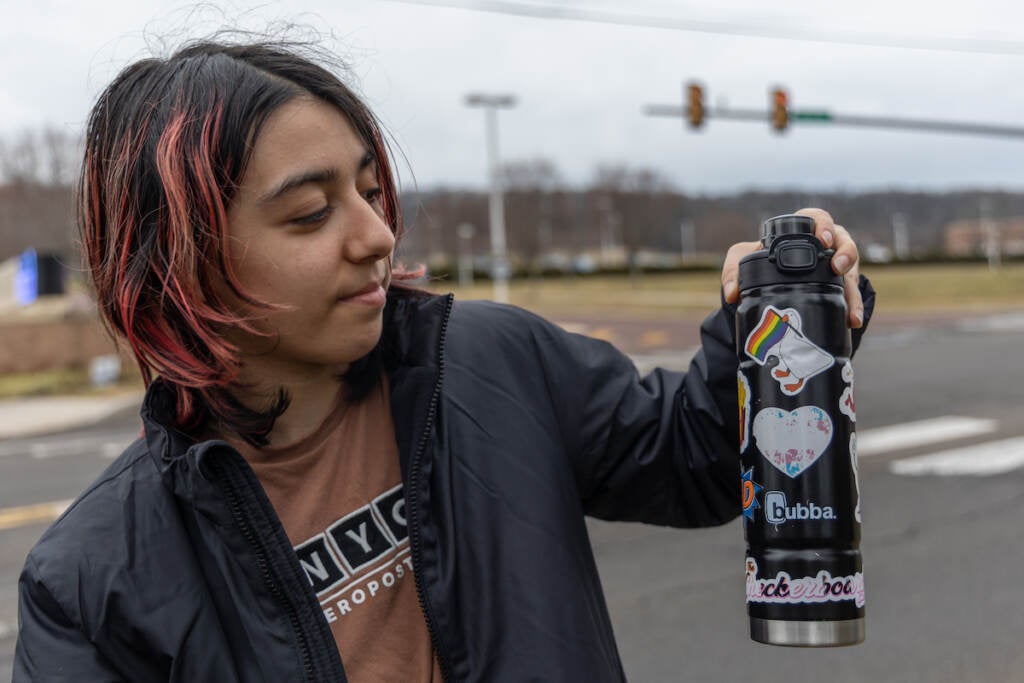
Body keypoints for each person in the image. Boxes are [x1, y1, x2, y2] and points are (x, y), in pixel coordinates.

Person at [14, 39, 873, 682]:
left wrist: (766, 336)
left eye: (370, 190)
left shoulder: (492, 360)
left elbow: (692, 461)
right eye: (313, 213)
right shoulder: (88, 586)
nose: (377, 234)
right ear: (182, 260)